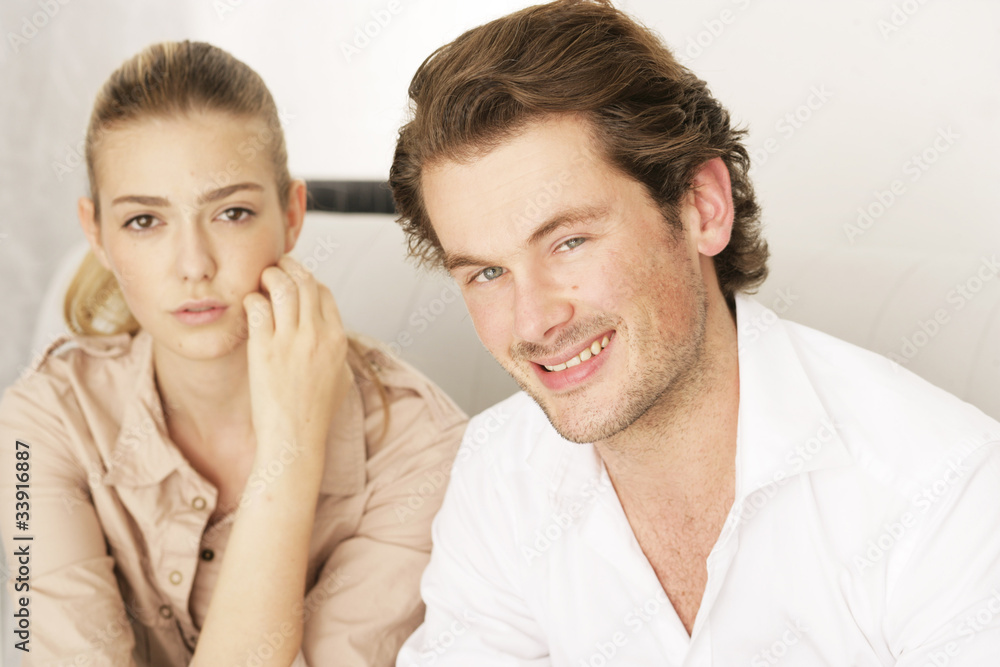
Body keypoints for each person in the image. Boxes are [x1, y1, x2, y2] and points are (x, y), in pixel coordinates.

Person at [388, 1, 1000, 664]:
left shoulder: (943, 486)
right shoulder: (499, 471)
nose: (534, 320)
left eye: (569, 241)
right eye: (487, 273)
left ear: (703, 208)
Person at [0, 41, 466, 667]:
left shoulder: (422, 451)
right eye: (144, 221)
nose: (194, 265)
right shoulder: (40, 423)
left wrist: (290, 450)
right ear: (97, 234)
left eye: (232, 212)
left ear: (292, 215)